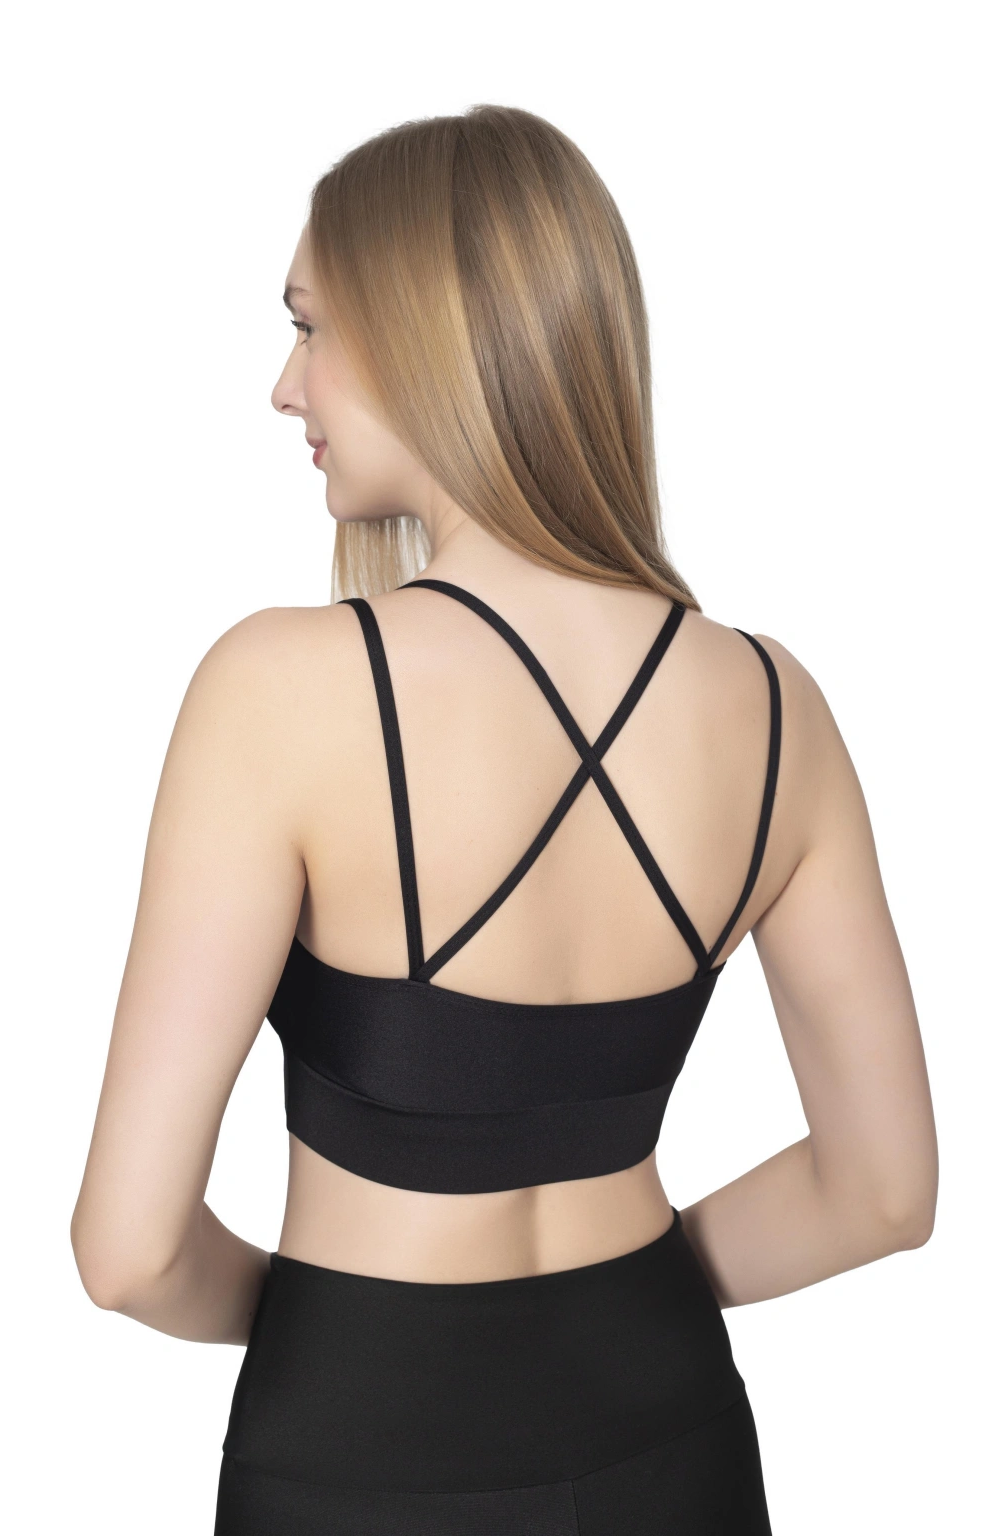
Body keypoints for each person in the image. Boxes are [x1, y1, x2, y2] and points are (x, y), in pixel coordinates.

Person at [70, 105, 938, 1534]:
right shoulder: (777, 708)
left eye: (309, 326)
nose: (286, 388)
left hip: (359, 1451)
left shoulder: (282, 687)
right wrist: (629, 1294)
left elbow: (128, 1253)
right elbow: (884, 1194)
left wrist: (331, 1325)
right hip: (672, 1436)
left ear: (426, 332)